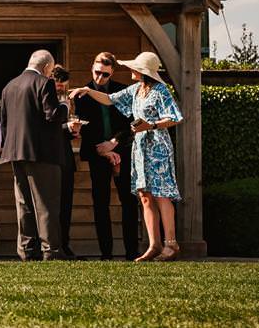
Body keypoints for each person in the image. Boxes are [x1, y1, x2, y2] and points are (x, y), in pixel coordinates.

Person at [70, 51, 184, 261]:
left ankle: (171, 244)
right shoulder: (136, 90)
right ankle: (154, 246)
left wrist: (153, 125)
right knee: (145, 196)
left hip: (157, 148)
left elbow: (175, 117)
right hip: (140, 149)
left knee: (160, 195)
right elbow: (109, 99)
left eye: (135, 68)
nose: (131, 70)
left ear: (143, 71)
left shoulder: (160, 90)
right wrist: (86, 90)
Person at [0, 50, 69, 261]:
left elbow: (5, 122)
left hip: (15, 152)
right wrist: (65, 106)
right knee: (46, 204)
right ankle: (51, 250)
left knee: (24, 204)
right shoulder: (43, 83)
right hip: (42, 153)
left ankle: (27, 250)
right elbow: (52, 114)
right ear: (47, 67)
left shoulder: (9, 86)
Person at [74, 51, 139, 261]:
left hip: (122, 151)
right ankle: (106, 254)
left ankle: (131, 252)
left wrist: (114, 144)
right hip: (97, 153)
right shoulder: (83, 93)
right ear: (92, 68)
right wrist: (102, 150)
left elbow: (131, 123)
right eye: (97, 73)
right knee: (100, 202)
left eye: (105, 75)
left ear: (112, 73)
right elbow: (84, 126)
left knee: (128, 201)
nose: (99, 78)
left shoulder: (123, 91)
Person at [50, 65, 81, 259]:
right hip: (50, 159)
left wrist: (72, 132)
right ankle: (52, 246)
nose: (61, 88)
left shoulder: (68, 101)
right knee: (51, 206)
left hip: (66, 159)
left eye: (63, 85)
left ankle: (65, 243)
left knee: (66, 205)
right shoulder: (45, 99)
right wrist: (65, 128)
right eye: (58, 84)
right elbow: (47, 128)